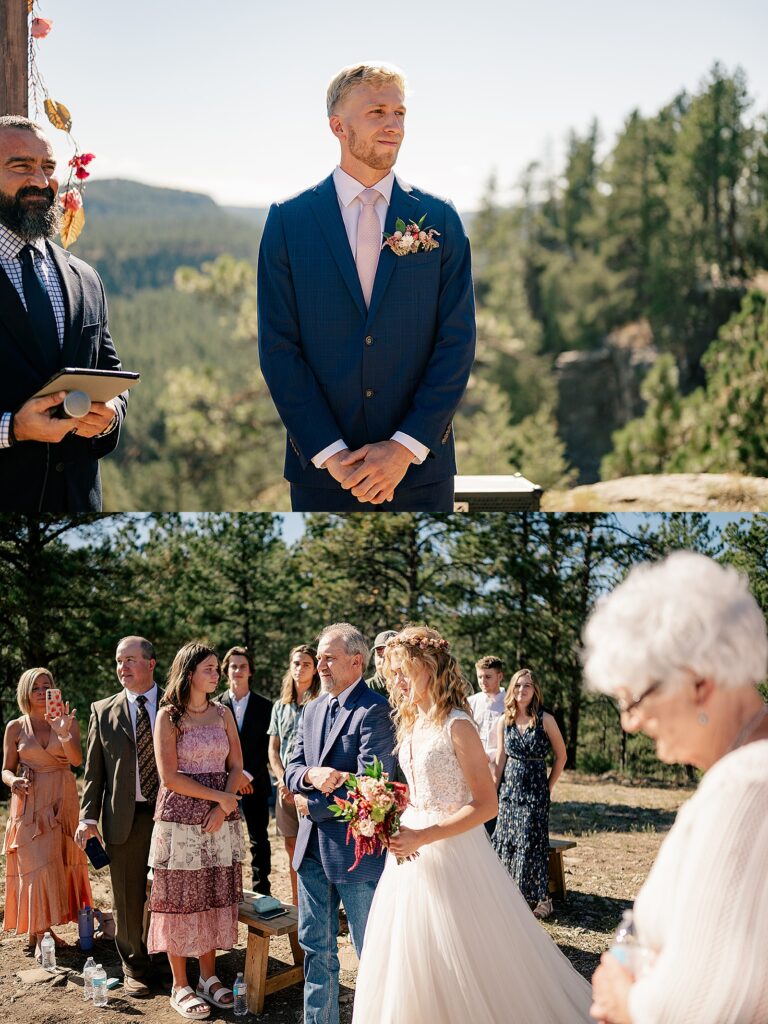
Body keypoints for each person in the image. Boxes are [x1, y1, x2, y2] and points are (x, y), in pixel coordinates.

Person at [257, 62, 475, 512]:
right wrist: (331, 454)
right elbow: (279, 347)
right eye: (378, 111)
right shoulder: (288, 221)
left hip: (419, 473)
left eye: (400, 113)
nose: (393, 125)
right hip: (323, 476)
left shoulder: (440, 219)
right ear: (338, 126)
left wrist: (403, 448)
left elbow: (456, 341)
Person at [352, 626, 592, 1024]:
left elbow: (485, 804)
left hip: (452, 852)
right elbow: (418, 790)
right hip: (408, 857)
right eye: (392, 672)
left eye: (402, 671)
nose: (395, 680)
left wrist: (424, 836)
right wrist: (383, 812)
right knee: (412, 953)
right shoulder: (411, 723)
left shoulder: (457, 724)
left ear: (428, 667)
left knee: (464, 953)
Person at [583, 551, 768, 1024]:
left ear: (700, 683)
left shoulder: (744, 786)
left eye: (635, 698)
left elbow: (695, 1007)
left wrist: (621, 999)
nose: (629, 723)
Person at [0, 116, 128, 512]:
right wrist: (13, 429)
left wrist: (108, 418)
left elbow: (113, 376)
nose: (41, 181)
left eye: (48, 168)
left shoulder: (86, 277)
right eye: (21, 166)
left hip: (78, 512)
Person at [283, 623, 395, 1024]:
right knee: (316, 948)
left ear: (356, 661)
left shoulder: (375, 710)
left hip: (354, 855)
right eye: (319, 656)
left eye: (329, 657)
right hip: (310, 852)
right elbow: (291, 768)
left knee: (371, 952)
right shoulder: (311, 708)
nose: (321, 664)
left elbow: (372, 786)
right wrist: (310, 776)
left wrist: (311, 806)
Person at [148, 642, 246, 1020]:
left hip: (219, 819)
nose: (216, 673)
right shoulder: (168, 716)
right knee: (179, 899)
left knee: (210, 893)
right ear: (189, 673)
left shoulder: (223, 713)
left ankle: (208, 977)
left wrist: (224, 804)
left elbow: (236, 764)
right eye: (209, 668)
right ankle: (180, 984)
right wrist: (218, 799)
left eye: (217, 668)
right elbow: (169, 776)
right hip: (179, 820)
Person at [76, 636, 163, 996]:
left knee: (172, 891)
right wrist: (87, 818)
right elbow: (94, 772)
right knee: (127, 896)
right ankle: (135, 966)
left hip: (170, 817)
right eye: (118, 661)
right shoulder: (102, 710)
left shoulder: (175, 704)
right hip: (122, 819)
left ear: (151, 664)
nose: (122, 668)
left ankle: (174, 958)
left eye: (129, 660)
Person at [2, 667, 91, 958]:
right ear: (25, 692)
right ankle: (41, 934)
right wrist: (13, 781)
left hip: (62, 800)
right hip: (30, 802)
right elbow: (5, 768)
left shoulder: (68, 721)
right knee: (36, 866)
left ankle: (39, 930)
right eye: (36, 687)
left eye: (47, 686)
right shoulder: (15, 727)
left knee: (56, 863)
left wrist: (64, 732)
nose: (42, 692)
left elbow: (77, 760)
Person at [492, 667, 567, 919]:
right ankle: (511, 893)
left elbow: (562, 755)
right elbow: (500, 759)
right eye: (518, 685)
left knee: (532, 842)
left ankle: (542, 897)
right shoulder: (505, 720)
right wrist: (494, 790)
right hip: (509, 793)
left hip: (536, 791)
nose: (522, 690)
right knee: (507, 841)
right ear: (511, 690)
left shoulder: (545, 719)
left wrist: (549, 785)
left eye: (527, 686)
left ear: (535, 691)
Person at [267, 643, 321, 905]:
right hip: (284, 787)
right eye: (296, 663)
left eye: (306, 664)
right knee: (291, 847)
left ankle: (323, 903)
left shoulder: (321, 701)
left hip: (311, 787)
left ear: (315, 669)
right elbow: (273, 748)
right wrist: (282, 778)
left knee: (316, 848)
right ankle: (297, 902)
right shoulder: (280, 706)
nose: (300, 668)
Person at [218, 646, 273, 895]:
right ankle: (226, 890)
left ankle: (262, 890)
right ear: (226, 670)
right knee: (223, 839)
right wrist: (233, 778)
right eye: (233, 666)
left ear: (250, 671)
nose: (237, 670)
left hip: (255, 782)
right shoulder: (215, 705)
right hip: (222, 786)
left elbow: (267, 746)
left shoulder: (265, 706)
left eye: (242, 666)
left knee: (258, 840)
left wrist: (246, 776)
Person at [468, 655, 506, 834]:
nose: (483, 681)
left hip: (501, 767)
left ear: (500, 676)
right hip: (474, 767)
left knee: (494, 817)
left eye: (488, 677)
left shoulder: (509, 703)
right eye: (480, 677)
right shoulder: (471, 702)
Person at [365, 629, 398, 696]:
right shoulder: (364, 689)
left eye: (389, 655)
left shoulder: (412, 687)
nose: (383, 661)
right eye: (379, 655)